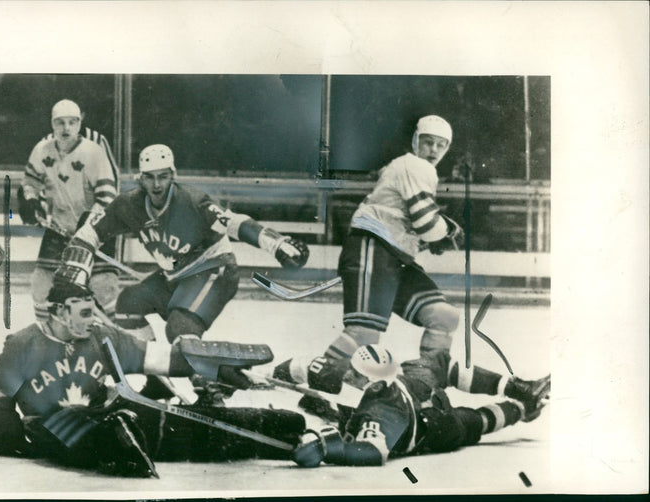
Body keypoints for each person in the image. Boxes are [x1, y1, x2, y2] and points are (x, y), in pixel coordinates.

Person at [0, 263, 305, 477]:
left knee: (210, 430)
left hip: (119, 414)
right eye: (84, 313)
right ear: (58, 312)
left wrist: (216, 369)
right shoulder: (23, 343)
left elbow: (160, 358)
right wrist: (5, 433)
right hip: (55, 425)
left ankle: (285, 427)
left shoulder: (101, 336)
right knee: (72, 422)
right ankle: (117, 438)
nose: (92, 319)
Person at [62, 143, 310, 403]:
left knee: (179, 327)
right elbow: (91, 232)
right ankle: (159, 380)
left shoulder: (192, 201)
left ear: (173, 175)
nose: (157, 185)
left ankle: (206, 384)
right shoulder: (129, 205)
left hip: (214, 269)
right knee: (128, 304)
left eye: (163, 176)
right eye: (150, 177)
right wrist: (74, 269)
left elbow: (233, 223)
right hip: (176, 277)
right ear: (141, 178)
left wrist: (276, 243)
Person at [295, 115, 464, 417]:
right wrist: (447, 230)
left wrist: (434, 234)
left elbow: (412, 223)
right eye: (428, 141)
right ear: (416, 141)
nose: (434, 149)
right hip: (373, 247)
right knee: (362, 334)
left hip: (394, 256)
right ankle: (320, 388)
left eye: (441, 145)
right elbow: (426, 223)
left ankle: (423, 385)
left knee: (444, 317)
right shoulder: (415, 165)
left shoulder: (407, 168)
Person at [289, 344, 551, 467]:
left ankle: (522, 407)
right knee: (439, 365)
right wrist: (274, 375)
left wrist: (327, 450)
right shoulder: (396, 375)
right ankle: (522, 390)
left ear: (366, 379)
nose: (347, 374)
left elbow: (372, 451)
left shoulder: (381, 410)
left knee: (472, 421)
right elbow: (301, 364)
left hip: (433, 426)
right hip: (414, 385)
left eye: (353, 374)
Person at [17, 99, 120, 323]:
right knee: (41, 285)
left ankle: (118, 337)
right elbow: (30, 182)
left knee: (103, 286)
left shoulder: (93, 153)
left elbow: (108, 196)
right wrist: (31, 200)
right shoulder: (42, 150)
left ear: (79, 123)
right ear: (52, 125)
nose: (66, 128)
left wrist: (89, 227)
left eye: (72, 122)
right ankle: (46, 336)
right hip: (60, 228)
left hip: (97, 230)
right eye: (60, 123)